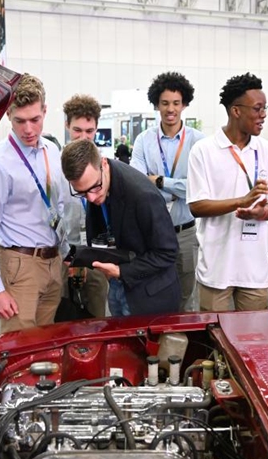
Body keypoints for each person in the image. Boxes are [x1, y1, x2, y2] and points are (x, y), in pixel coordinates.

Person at [0, 74, 69, 334]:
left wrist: (66, 252)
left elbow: (59, 206)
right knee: (19, 352)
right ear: (8, 116)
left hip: (54, 261)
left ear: (45, 111)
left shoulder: (52, 151)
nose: (28, 129)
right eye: (20, 121)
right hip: (19, 265)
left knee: (48, 347)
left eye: (35, 120)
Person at [187, 72, 268, 312]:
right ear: (236, 111)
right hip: (216, 270)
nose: (263, 115)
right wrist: (241, 201)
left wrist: (260, 213)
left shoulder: (267, 151)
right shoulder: (204, 151)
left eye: (265, 108)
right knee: (213, 342)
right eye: (257, 108)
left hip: (255, 271)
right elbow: (197, 206)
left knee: (252, 343)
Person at [61, 139, 181, 315]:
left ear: (103, 163)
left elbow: (168, 252)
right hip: (119, 286)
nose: (92, 198)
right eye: (82, 193)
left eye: (94, 188)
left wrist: (120, 271)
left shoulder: (143, 195)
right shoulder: (99, 183)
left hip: (150, 296)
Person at [131, 71, 206, 312]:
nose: (170, 109)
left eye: (176, 103)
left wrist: (161, 182)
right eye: (165, 103)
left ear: (184, 104)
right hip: (152, 233)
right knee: (152, 294)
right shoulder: (144, 141)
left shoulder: (199, 142)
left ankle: (179, 348)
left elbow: (198, 188)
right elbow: (138, 184)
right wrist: (179, 184)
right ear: (156, 104)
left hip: (185, 233)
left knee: (184, 299)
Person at [60, 93, 109, 318]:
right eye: (77, 130)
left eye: (89, 131)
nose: (83, 137)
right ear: (67, 126)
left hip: (97, 253)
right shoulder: (55, 166)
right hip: (64, 253)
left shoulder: (106, 166)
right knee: (64, 318)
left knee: (97, 317)